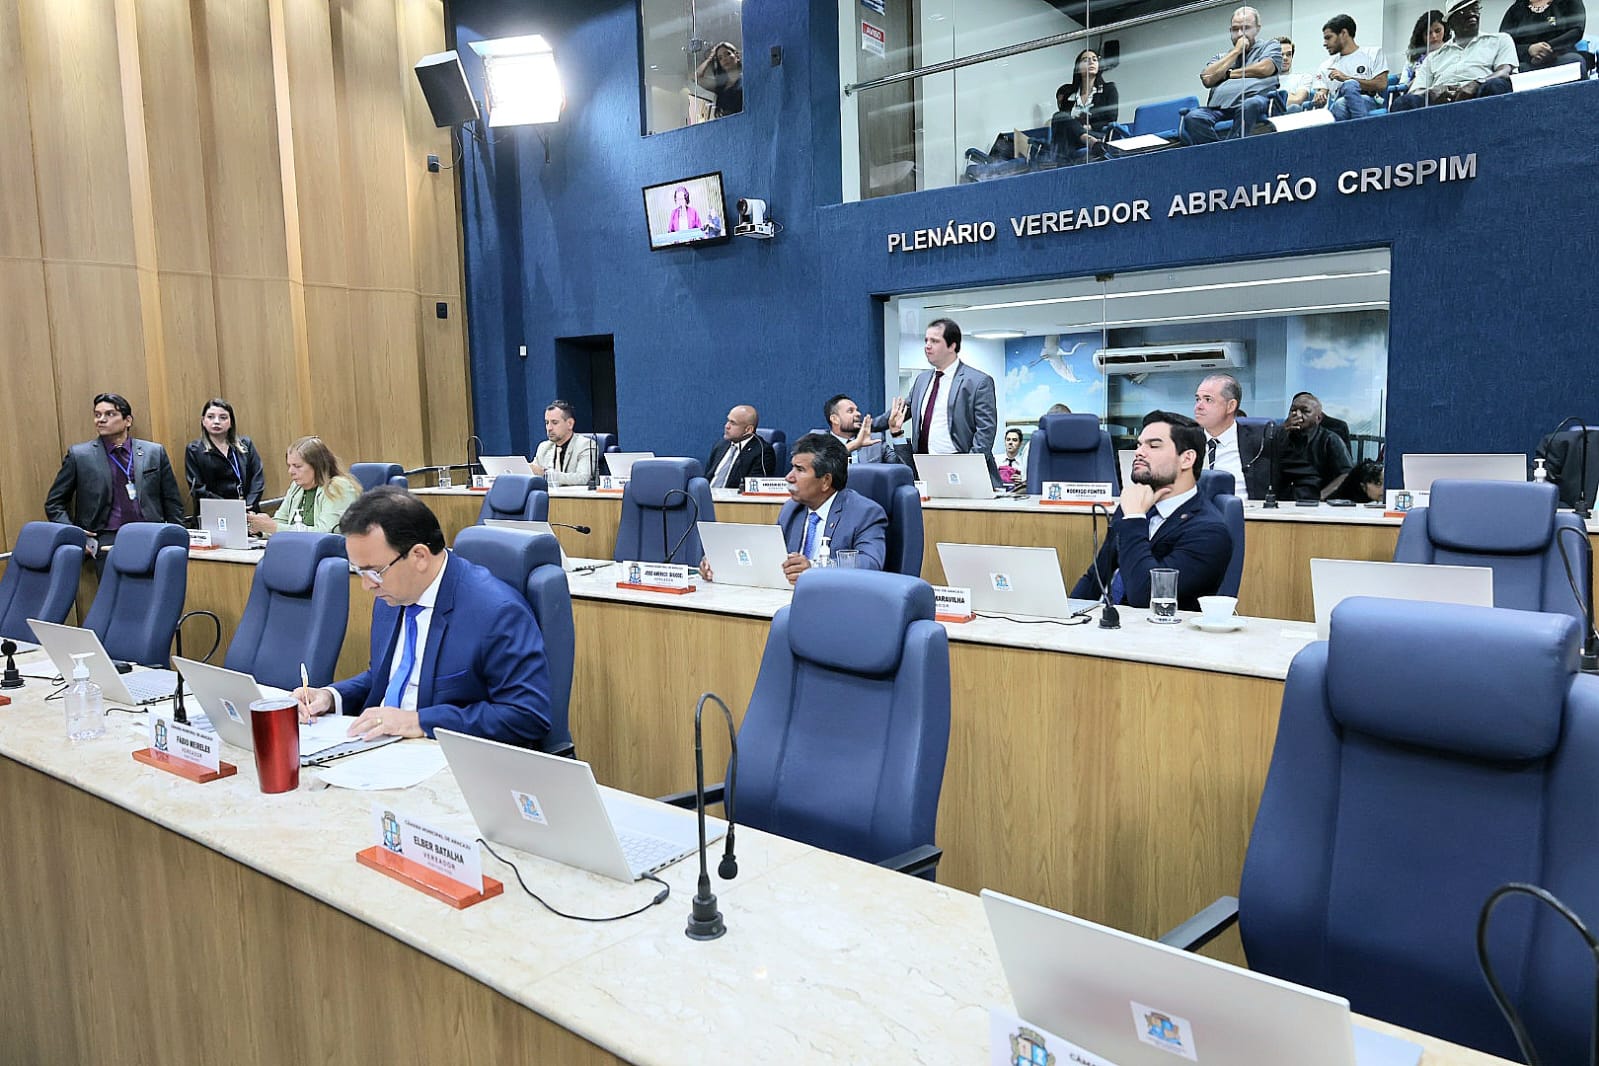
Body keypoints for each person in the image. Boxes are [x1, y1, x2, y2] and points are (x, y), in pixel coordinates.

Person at [293, 487, 551, 748]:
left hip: (447, 755)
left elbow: (526, 715)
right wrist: (332, 696)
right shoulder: (391, 596)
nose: (367, 585)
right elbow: (386, 676)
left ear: (419, 556)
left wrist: (419, 721)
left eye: (374, 572)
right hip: (380, 747)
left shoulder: (497, 612)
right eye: (360, 572)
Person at [1070, 411, 1233, 611]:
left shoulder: (1209, 532)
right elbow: (1096, 576)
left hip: (1158, 627)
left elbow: (1145, 595)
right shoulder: (1135, 505)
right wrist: (1066, 614)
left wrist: (1134, 519)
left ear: (1187, 459)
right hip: (1104, 621)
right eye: (1139, 445)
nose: (1139, 452)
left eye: (1153, 446)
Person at [699, 434, 886, 585]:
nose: (789, 477)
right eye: (792, 468)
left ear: (826, 481)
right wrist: (722, 565)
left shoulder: (865, 513)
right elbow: (769, 557)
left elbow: (871, 564)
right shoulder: (792, 509)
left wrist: (814, 569)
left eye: (800, 470)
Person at [45, 392, 185, 559]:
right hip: (105, 539)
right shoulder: (80, 456)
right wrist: (73, 535)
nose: (101, 420)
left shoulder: (153, 452)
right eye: (97, 415)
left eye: (110, 414)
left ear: (128, 420)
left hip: (151, 535)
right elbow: (54, 503)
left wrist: (177, 538)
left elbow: (172, 501)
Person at [886, 319, 998, 463]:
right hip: (925, 464)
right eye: (926, 340)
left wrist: (971, 464)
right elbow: (900, 414)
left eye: (934, 341)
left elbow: (985, 431)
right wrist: (878, 427)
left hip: (961, 463)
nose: (928, 346)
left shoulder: (979, 381)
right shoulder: (922, 380)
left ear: (952, 346)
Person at [1181, 7, 1284, 144]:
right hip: (1219, 108)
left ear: (1257, 29)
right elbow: (1207, 78)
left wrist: (1228, 74)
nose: (1240, 34)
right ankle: (1218, 151)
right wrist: (1236, 52)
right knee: (1193, 117)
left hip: (1255, 101)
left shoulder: (1270, 46)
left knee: (1249, 105)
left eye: (1246, 28)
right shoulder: (1221, 57)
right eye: (1235, 29)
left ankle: (1234, 148)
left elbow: (1265, 68)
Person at [1392, 0, 1516, 111]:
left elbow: (1504, 72)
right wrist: (1431, 93)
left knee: (1496, 85)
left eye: (1475, 8)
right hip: (1440, 105)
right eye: (1463, 11)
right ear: (1451, 23)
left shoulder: (1500, 40)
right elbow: (1415, 91)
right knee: (1403, 102)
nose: (1472, 13)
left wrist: (1477, 84)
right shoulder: (1433, 57)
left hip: (1480, 97)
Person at [247, 436, 361, 536]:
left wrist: (274, 528)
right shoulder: (296, 487)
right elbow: (280, 520)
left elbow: (324, 533)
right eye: (289, 466)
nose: (291, 471)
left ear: (317, 466)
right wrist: (260, 528)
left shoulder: (339, 486)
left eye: (297, 466)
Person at [1192, 374, 1270, 499]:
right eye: (1197, 399)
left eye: (1208, 400)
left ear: (1231, 406)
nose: (1198, 407)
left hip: (1244, 510)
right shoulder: (1186, 441)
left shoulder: (1261, 441)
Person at [184, 398, 266, 512]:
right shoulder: (194, 450)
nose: (216, 421)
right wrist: (230, 508)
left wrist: (249, 504)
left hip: (248, 510)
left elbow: (258, 478)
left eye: (223, 417)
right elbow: (198, 489)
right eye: (210, 417)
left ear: (231, 422)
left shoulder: (245, 445)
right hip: (215, 513)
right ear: (203, 421)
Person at [1302, 16, 1390, 120]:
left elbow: (1381, 84)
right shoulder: (1326, 66)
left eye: (1328, 38)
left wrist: (1346, 79)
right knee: (1340, 103)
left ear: (1344, 33)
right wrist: (1320, 96)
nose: (1325, 44)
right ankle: (1363, 125)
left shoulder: (1373, 53)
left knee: (1349, 86)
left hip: (1367, 99)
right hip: (1337, 102)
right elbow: (1322, 92)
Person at [1275, 393, 1353, 500]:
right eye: (1293, 410)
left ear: (1318, 418)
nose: (1297, 415)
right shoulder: (1281, 436)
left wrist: (1322, 496)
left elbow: (1347, 474)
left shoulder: (1330, 439)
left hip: (1317, 501)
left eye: (1305, 411)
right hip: (1283, 501)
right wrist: (1281, 432)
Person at [1051, 50, 1119, 160]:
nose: (1091, 62)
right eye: (1086, 60)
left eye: (1094, 60)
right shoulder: (1069, 95)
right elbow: (1063, 123)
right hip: (1073, 139)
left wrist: (1089, 127)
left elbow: (1111, 118)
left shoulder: (1108, 89)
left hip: (1097, 135)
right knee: (1059, 116)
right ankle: (1088, 140)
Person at [1499, 0, 1586, 72]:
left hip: (1561, 57)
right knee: (1510, 74)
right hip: (1528, 64)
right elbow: (1505, 44)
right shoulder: (1515, 10)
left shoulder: (1569, 2)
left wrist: (1547, 48)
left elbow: (1577, 31)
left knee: (1575, 61)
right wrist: (1529, 49)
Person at [707, 404, 778, 488]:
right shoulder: (721, 445)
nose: (727, 426)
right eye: (728, 420)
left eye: (733, 423)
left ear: (748, 430)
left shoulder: (763, 452)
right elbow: (707, 476)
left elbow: (754, 487)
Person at [532, 400, 598, 487]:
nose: (549, 428)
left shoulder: (586, 445)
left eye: (554, 423)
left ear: (570, 424)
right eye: (547, 422)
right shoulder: (543, 447)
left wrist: (545, 474)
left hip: (575, 495)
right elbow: (534, 473)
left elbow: (582, 478)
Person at [824, 394, 892, 464]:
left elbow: (898, 466)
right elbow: (821, 463)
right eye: (850, 411)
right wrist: (854, 445)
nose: (858, 414)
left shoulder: (875, 441)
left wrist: (896, 434)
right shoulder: (820, 442)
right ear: (835, 419)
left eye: (857, 410)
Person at [695, 41, 743, 117]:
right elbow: (697, 77)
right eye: (720, 58)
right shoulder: (721, 85)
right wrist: (710, 58)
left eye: (727, 54)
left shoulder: (746, 80)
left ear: (737, 56)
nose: (724, 59)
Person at [1405, 10, 1451, 81]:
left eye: (1438, 31)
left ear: (1445, 29)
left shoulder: (1452, 51)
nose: (1434, 36)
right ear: (1422, 36)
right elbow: (1403, 83)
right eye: (1428, 33)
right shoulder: (1413, 58)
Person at [1277, 37, 1319, 108]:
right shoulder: (1264, 81)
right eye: (1281, 54)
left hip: (1292, 113)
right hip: (1267, 114)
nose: (1285, 58)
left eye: (1288, 54)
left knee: (1294, 107)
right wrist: (1290, 95)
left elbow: (1298, 100)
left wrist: (1274, 98)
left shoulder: (1303, 77)